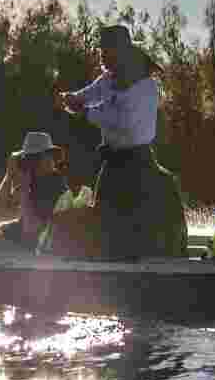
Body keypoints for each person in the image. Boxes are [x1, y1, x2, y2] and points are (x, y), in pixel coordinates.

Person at [55, 24, 183, 261]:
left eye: (106, 51)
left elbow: (124, 122)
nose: (101, 56)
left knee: (127, 218)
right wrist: (71, 98)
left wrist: (85, 113)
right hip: (112, 160)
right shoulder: (109, 77)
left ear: (121, 51)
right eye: (101, 50)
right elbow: (90, 94)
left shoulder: (145, 86)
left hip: (137, 161)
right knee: (102, 214)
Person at [0, 131, 69, 249]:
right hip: (26, 231)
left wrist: (24, 189)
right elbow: (2, 206)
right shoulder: (34, 177)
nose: (51, 161)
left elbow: (31, 229)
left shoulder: (54, 184)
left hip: (40, 241)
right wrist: (9, 175)